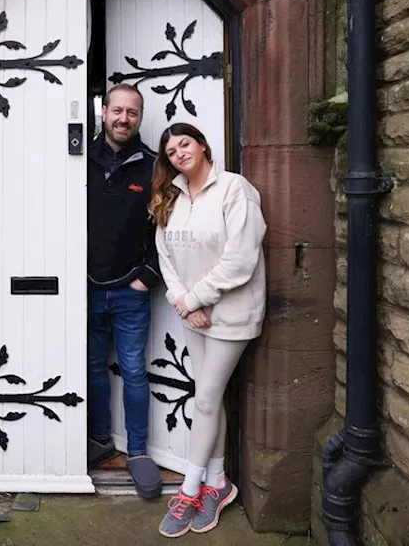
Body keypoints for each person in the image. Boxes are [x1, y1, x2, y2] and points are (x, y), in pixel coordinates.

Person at [149, 123, 267, 537]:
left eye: (185, 143)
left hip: (230, 316)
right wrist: (183, 301)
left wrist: (196, 298)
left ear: (202, 146)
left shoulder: (235, 189)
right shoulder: (172, 197)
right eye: (171, 149)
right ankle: (218, 483)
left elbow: (241, 258)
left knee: (204, 400)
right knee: (208, 399)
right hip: (192, 315)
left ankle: (189, 488)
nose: (179, 152)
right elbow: (165, 256)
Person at [87, 83, 163, 499]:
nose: (123, 119)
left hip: (131, 290)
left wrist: (147, 275)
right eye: (117, 110)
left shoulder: (152, 165)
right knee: (94, 368)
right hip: (87, 290)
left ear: (140, 117)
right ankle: (100, 440)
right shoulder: (80, 157)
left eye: (132, 113)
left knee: (134, 370)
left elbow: (165, 224)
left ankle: (137, 452)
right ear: (103, 112)